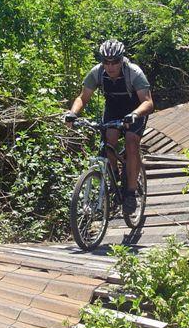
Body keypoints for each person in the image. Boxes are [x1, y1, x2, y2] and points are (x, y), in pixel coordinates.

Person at [64, 39, 154, 214]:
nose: (110, 66)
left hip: (135, 111)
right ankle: (114, 178)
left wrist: (134, 115)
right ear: (102, 61)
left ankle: (130, 192)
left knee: (131, 142)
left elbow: (148, 102)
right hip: (113, 111)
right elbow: (83, 97)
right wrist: (73, 113)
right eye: (106, 61)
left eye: (114, 62)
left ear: (121, 60)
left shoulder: (134, 72)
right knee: (108, 143)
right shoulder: (97, 73)